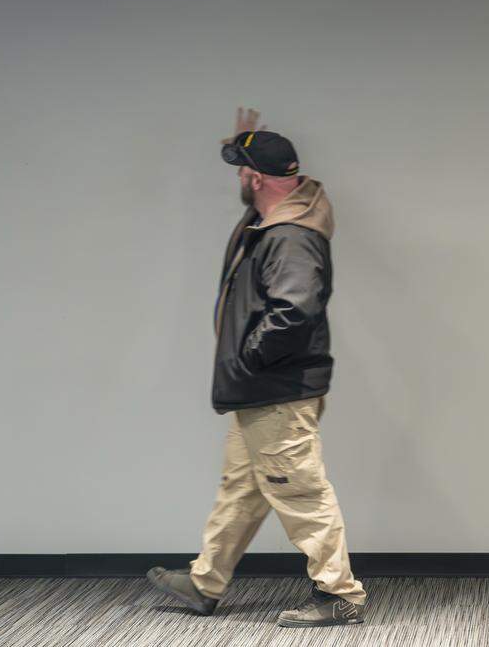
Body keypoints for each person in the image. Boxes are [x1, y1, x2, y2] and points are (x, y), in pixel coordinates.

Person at [147, 108, 367, 628]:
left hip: (277, 389)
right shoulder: (280, 216)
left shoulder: (291, 235)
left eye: (243, 171)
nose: (239, 180)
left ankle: (340, 595)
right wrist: (244, 140)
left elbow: (295, 310)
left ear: (257, 180)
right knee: (242, 488)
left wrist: (250, 356)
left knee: (299, 490)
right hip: (261, 388)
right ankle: (205, 582)